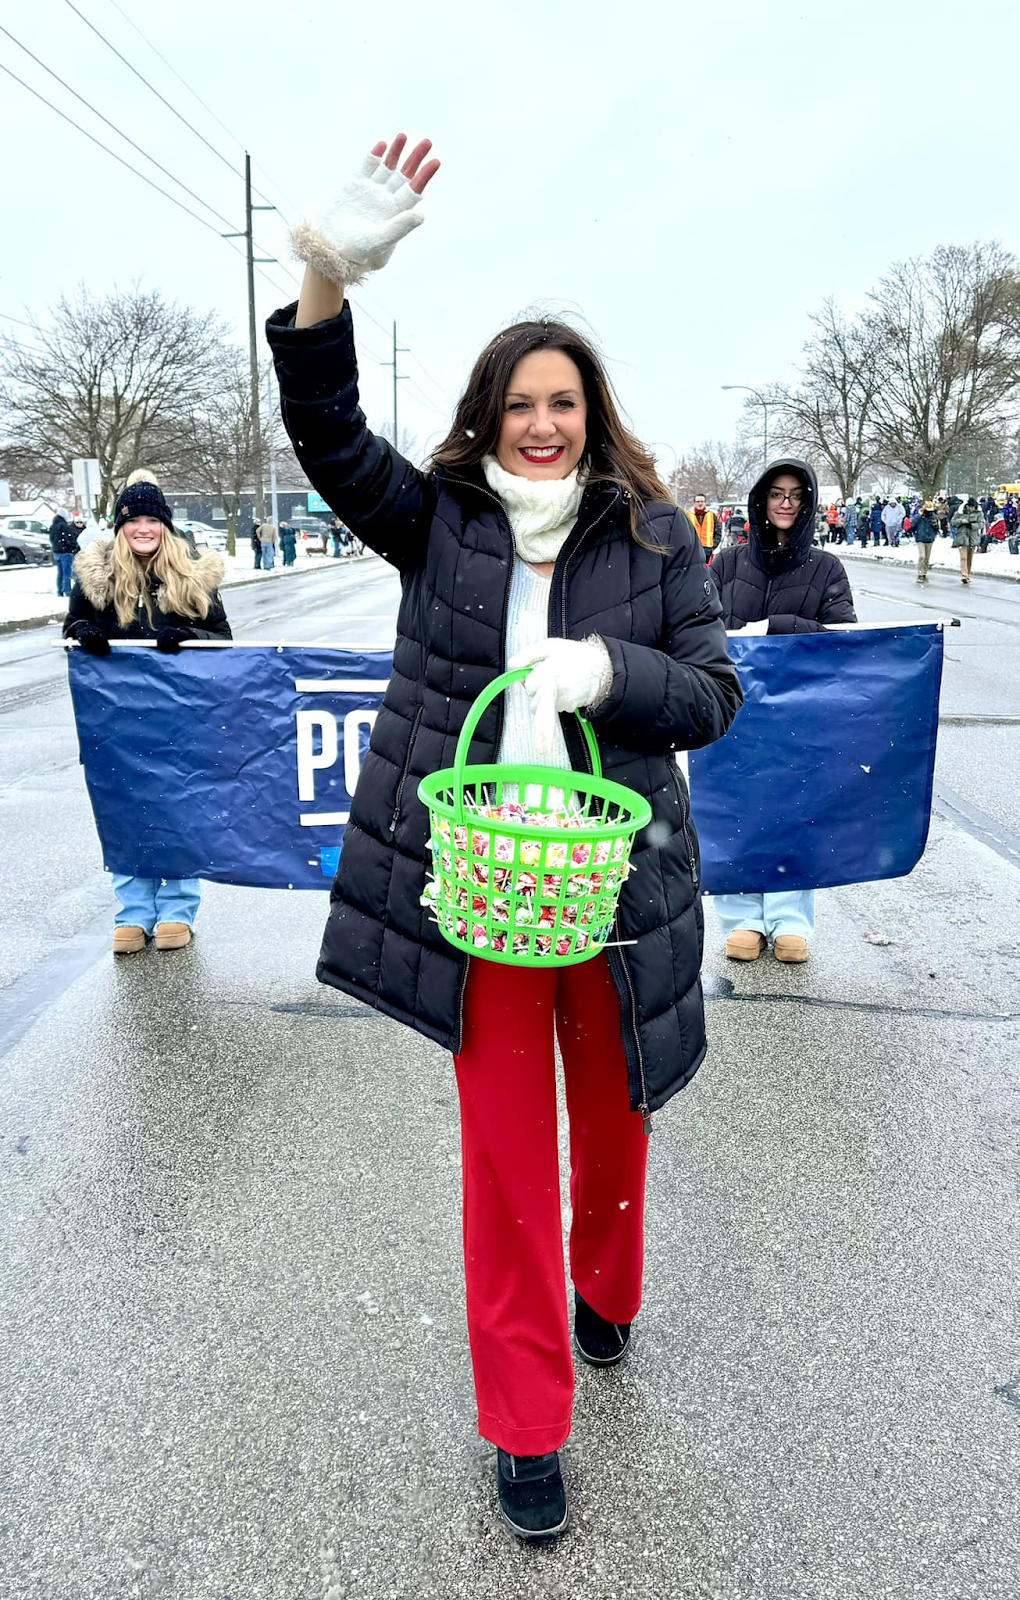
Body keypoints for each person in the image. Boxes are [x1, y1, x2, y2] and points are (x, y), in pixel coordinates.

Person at [268, 131, 743, 1542]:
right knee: (502, 1161)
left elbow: (715, 694)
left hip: (613, 889)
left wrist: (614, 674)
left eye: (565, 403)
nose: (543, 424)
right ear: (487, 415)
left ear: (593, 416)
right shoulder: (442, 525)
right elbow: (329, 439)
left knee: (613, 1124)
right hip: (479, 896)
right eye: (521, 403)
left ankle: (610, 1291)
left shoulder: (659, 540)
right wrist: (318, 279)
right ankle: (525, 1424)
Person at [62, 470, 232, 953]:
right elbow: (73, 625)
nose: (143, 528)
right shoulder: (97, 579)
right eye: (133, 519)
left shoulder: (193, 577)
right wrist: (84, 632)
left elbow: (225, 641)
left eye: (151, 520)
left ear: (165, 526)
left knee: (177, 813)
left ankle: (177, 909)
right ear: (120, 526)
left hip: (179, 720)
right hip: (115, 722)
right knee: (124, 813)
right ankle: (133, 912)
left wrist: (189, 638)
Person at [706, 458, 856, 964]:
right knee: (738, 811)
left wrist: (781, 625)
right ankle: (744, 917)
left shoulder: (825, 568)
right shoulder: (726, 564)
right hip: (734, 705)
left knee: (794, 812)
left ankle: (791, 920)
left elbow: (843, 637)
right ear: (761, 501)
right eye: (776, 494)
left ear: (809, 503)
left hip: (799, 711)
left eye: (795, 494)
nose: (785, 503)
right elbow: (698, 621)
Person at [950, 496, 984, 585]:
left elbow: (981, 524)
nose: (971, 509)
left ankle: (968, 574)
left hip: (972, 537)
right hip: (962, 536)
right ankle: (964, 575)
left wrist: (972, 526)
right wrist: (961, 521)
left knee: (970, 557)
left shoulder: (979, 514)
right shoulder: (959, 512)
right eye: (969, 506)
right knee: (963, 557)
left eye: (973, 507)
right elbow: (952, 522)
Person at [48, 510, 79, 597]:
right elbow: (70, 540)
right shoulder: (64, 527)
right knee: (67, 573)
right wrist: (73, 546)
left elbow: (52, 539)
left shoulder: (53, 526)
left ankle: (60, 590)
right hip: (66, 552)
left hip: (56, 552)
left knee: (60, 572)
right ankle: (67, 590)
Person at [913, 500, 939, 583]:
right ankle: (920, 573)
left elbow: (936, 528)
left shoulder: (933, 517)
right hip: (920, 538)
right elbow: (913, 524)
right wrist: (919, 516)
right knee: (922, 556)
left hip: (929, 539)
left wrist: (935, 526)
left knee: (927, 558)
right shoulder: (919, 516)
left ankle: (924, 574)